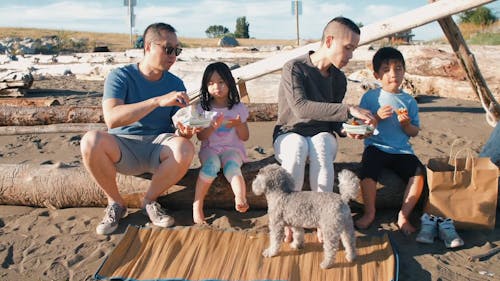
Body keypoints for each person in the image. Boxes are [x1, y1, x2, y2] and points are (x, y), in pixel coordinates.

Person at [80, 22, 200, 235]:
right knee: (90, 140)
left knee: (184, 148)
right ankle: (115, 203)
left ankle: (150, 201)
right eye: (168, 49)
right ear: (147, 47)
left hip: (157, 146)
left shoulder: (176, 83)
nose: (173, 55)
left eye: (177, 50)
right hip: (123, 146)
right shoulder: (120, 76)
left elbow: (179, 129)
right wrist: (157, 101)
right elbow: (112, 119)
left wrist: (187, 132)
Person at [273, 16, 376, 242]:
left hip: (321, 134)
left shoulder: (339, 79)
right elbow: (301, 108)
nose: (351, 56)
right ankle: (289, 217)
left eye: (354, 49)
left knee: (320, 142)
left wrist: (348, 128)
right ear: (329, 40)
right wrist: (348, 109)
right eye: (348, 48)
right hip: (289, 131)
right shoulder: (295, 68)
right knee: (298, 146)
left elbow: (333, 121)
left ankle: (324, 218)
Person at [354, 47, 425, 235]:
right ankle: (369, 212)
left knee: (418, 173)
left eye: (398, 68)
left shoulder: (409, 101)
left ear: (404, 71)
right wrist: (376, 118)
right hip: (376, 146)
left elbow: (414, 132)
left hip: (402, 150)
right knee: (367, 172)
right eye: (386, 70)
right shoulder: (371, 97)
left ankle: (403, 216)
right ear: (377, 75)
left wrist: (406, 124)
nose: (393, 74)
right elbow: (363, 131)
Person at [192, 62, 250, 224]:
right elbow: (201, 137)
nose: (216, 87)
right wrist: (211, 126)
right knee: (212, 164)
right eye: (210, 83)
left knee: (232, 165)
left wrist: (239, 124)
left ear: (229, 83)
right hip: (210, 149)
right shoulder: (202, 108)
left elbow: (245, 137)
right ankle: (197, 204)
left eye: (221, 82)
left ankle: (240, 198)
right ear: (205, 86)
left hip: (233, 150)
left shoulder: (238, 108)